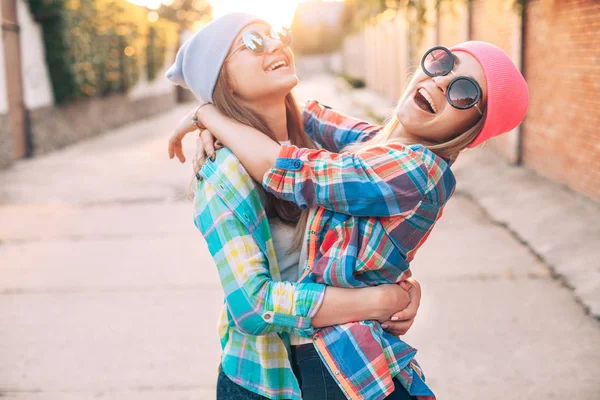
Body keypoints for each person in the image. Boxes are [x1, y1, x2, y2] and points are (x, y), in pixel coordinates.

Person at [168, 13, 529, 400]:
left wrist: (208, 114)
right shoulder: (367, 145)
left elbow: (290, 170)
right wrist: (378, 299)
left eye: (463, 93)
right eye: (442, 63)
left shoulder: (406, 166)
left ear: (469, 130)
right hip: (267, 377)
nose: (440, 81)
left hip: (341, 364)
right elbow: (252, 305)